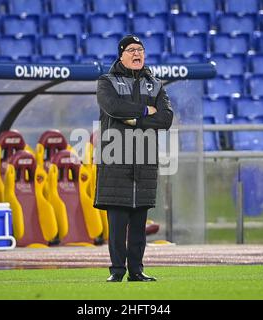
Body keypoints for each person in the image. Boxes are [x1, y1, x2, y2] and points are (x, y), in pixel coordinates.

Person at [95, 35, 173, 282]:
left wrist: (135, 120)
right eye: (131, 49)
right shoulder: (106, 81)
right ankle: (117, 271)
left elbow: (166, 118)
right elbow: (113, 108)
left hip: (145, 162)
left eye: (140, 49)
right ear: (121, 55)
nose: (137, 53)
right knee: (117, 223)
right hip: (116, 160)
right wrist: (144, 111)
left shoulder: (156, 85)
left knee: (139, 223)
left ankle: (136, 271)